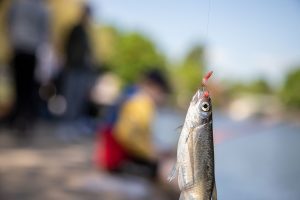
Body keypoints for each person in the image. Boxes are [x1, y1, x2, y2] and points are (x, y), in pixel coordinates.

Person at [94, 69, 171, 179]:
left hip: (109, 156)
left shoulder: (131, 96)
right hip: (116, 160)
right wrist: (151, 154)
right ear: (151, 87)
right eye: (161, 92)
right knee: (160, 168)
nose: (162, 97)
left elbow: (139, 135)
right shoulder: (141, 103)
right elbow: (127, 135)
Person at [7, 0, 50, 133]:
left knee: (20, 87)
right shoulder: (41, 8)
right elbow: (45, 32)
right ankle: (25, 119)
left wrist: (13, 38)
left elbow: (9, 22)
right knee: (28, 88)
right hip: (30, 51)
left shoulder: (17, 4)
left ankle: (19, 118)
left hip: (20, 49)